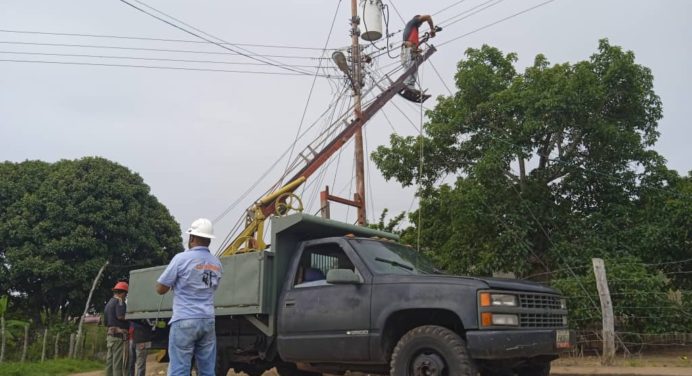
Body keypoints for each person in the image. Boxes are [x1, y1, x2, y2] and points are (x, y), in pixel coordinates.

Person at [156, 218, 223, 376]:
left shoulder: (181, 259)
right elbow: (211, 287)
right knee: (207, 370)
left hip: (184, 319)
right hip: (207, 320)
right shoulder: (217, 263)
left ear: (192, 238)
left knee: (179, 369)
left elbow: (160, 288)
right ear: (208, 240)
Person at [401, 14, 436, 92]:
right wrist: (432, 29)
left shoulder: (413, 29)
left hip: (408, 49)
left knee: (413, 67)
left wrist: (418, 51)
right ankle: (407, 85)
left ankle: (409, 85)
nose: (420, 25)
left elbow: (414, 43)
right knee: (410, 67)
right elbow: (428, 17)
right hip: (408, 49)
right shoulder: (414, 21)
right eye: (421, 23)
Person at [104, 281, 130, 376]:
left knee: (109, 363)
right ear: (122, 293)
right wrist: (130, 318)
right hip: (119, 337)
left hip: (110, 337)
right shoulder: (119, 301)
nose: (125, 296)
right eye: (126, 294)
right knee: (118, 363)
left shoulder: (109, 303)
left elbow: (105, 322)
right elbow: (120, 316)